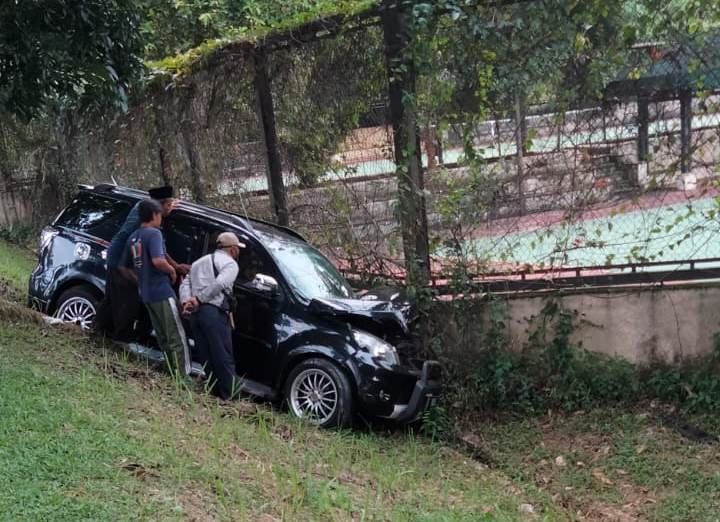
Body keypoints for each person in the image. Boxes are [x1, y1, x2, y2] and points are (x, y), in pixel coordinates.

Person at [94, 185, 190, 340]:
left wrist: (176, 266)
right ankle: (117, 340)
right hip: (121, 260)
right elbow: (151, 251)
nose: (171, 208)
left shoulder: (147, 210)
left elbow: (160, 250)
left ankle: (98, 331)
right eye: (169, 205)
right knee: (126, 303)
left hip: (122, 260)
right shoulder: (145, 223)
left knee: (113, 299)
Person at [126, 199, 191, 376]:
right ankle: (182, 375)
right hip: (162, 292)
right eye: (160, 214)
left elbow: (135, 264)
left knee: (162, 336)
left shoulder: (134, 238)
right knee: (176, 335)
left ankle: (171, 370)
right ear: (154, 215)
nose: (162, 218)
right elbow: (158, 260)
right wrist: (172, 271)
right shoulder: (154, 233)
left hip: (146, 293)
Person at [179, 232, 244, 399]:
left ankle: (214, 392)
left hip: (196, 314)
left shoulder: (200, 261)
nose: (238, 252)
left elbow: (185, 283)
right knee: (223, 355)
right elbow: (221, 283)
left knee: (205, 354)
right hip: (213, 313)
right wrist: (199, 299)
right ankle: (231, 396)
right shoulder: (231, 264)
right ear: (233, 249)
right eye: (238, 249)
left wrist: (187, 301)